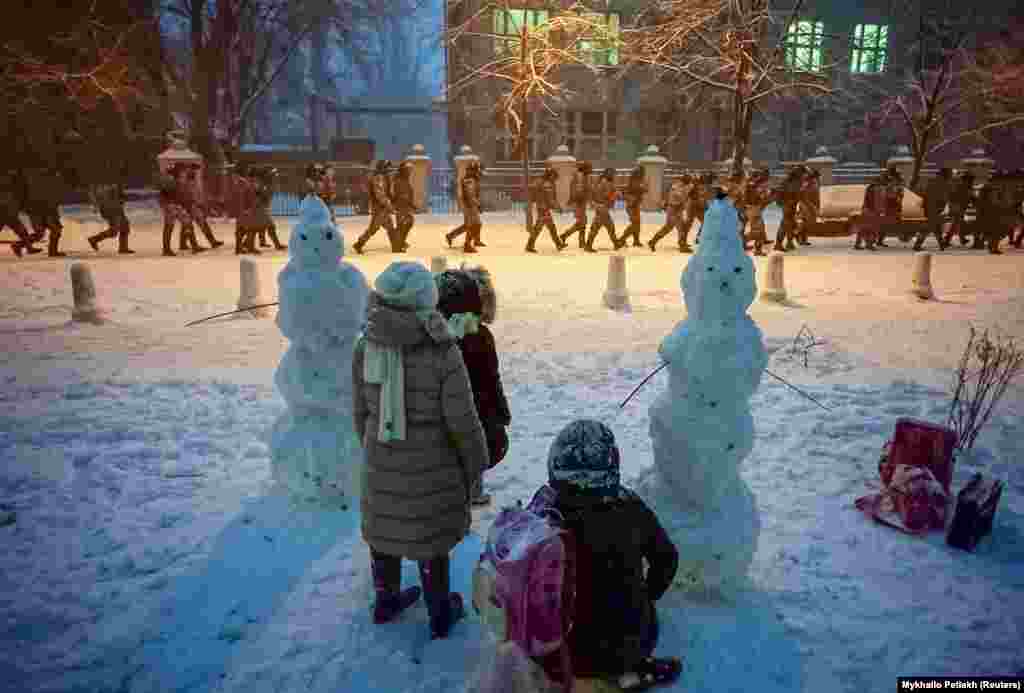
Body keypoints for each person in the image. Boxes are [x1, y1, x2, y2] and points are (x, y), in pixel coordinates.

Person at [352, 261, 490, 640]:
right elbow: (462, 419)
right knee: (431, 542)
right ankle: (440, 611)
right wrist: (475, 464)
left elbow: (360, 410)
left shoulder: (366, 344)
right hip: (435, 464)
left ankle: (386, 598)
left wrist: (376, 449)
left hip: (382, 458)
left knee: (384, 531)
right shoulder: (442, 348)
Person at [538, 420, 681, 691]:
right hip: (632, 643)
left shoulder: (545, 514)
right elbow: (667, 559)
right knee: (630, 623)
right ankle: (629, 670)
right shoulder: (631, 507)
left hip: (559, 652)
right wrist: (644, 596)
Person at [434, 268, 510, 505]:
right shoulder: (481, 338)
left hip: (445, 418)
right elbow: (490, 380)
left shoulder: (433, 336)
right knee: (480, 442)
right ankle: (469, 489)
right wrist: (501, 413)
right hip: (475, 416)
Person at [354, 160, 399, 254]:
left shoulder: (383, 178)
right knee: (373, 229)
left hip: (383, 209)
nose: (390, 170)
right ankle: (359, 244)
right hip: (380, 209)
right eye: (387, 168)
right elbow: (380, 195)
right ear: (383, 168)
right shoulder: (379, 178)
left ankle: (396, 246)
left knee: (390, 228)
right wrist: (390, 206)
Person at [22, 165, 66, 257]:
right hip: (44, 208)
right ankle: (52, 251)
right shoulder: (47, 179)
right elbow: (50, 196)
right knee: (55, 230)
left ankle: (18, 245)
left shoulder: (35, 177)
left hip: (38, 208)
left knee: (40, 234)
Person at [180, 163, 224, 251]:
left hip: (192, 205)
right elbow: (190, 194)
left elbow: (196, 193)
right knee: (200, 224)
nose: (197, 172)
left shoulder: (191, 179)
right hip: (191, 205)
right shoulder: (189, 180)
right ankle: (211, 242)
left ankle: (183, 244)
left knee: (187, 225)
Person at [0, 167, 41, 257]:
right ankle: (28, 248)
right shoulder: (6, 186)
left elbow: (13, 199)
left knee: (22, 230)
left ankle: (28, 248)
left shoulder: (12, 188)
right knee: (21, 230)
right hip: (5, 212)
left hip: (9, 212)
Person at [526, 166, 566, 253]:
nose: (555, 178)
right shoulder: (547, 184)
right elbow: (550, 199)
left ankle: (558, 244)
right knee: (540, 228)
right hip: (543, 208)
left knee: (550, 227)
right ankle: (530, 245)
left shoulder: (543, 182)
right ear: (551, 175)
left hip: (543, 207)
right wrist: (557, 207)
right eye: (554, 176)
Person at [87, 179, 134, 254]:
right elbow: (95, 193)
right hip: (109, 208)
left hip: (115, 206)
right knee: (114, 230)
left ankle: (123, 248)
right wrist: (96, 205)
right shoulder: (101, 181)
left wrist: (121, 198)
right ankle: (94, 239)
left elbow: (118, 192)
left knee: (125, 226)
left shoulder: (114, 178)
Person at [446, 161, 485, 252]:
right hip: (469, 205)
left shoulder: (473, 178)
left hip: (471, 205)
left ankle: (452, 236)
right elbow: (470, 195)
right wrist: (478, 205)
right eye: (476, 170)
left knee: (471, 225)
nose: (478, 172)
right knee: (474, 225)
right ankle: (467, 245)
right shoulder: (469, 180)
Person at [648, 175, 690, 253]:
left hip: (677, 209)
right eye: (688, 181)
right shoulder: (677, 186)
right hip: (673, 209)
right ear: (684, 180)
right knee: (673, 227)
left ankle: (653, 241)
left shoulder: (683, 186)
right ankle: (682, 246)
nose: (689, 183)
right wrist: (686, 194)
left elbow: (685, 194)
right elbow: (678, 196)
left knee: (677, 227)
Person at [914, 167, 952, 251]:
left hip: (930, 207)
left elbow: (925, 193)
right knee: (928, 227)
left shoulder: (933, 181)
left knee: (935, 226)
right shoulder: (943, 183)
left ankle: (941, 244)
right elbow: (943, 197)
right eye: (950, 174)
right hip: (934, 207)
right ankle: (917, 245)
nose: (951, 176)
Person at [585, 168, 619, 252]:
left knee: (609, 226)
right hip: (602, 207)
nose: (613, 176)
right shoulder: (604, 183)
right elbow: (604, 195)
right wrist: (614, 194)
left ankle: (616, 244)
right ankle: (588, 245)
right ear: (608, 174)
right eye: (612, 174)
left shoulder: (605, 182)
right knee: (597, 227)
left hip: (602, 207)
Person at [560, 161, 592, 248]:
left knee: (582, 222)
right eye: (589, 168)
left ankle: (568, 236)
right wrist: (574, 200)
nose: (591, 170)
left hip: (582, 202)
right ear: (585, 168)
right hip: (578, 202)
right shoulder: (579, 176)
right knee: (582, 222)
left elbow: (587, 189)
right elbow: (575, 189)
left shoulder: (586, 176)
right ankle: (578, 241)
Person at [743, 169, 773, 256]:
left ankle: (757, 249)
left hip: (753, 209)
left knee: (759, 230)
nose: (766, 178)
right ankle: (740, 242)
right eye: (765, 176)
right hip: (753, 209)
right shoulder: (753, 185)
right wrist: (765, 198)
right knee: (756, 231)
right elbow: (755, 198)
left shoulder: (753, 184)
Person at [854, 173, 886, 251]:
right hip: (873, 211)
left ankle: (858, 243)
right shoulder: (877, 189)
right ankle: (869, 244)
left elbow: (867, 200)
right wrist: (881, 210)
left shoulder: (870, 188)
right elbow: (878, 201)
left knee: (863, 228)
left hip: (866, 210)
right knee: (873, 229)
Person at [618, 166, 648, 249]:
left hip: (636, 204)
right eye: (641, 172)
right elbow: (629, 191)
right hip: (631, 205)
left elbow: (644, 189)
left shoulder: (639, 181)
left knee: (637, 223)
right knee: (635, 223)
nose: (643, 174)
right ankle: (622, 239)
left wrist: (643, 188)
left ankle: (636, 240)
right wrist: (641, 189)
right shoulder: (632, 181)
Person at [774, 167, 803, 252]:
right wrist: (784, 202)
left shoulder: (797, 181)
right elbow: (780, 193)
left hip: (792, 205)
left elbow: (797, 193)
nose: (801, 176)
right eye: (800, 174)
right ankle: (778, 244)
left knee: (791, 224)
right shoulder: (786, 182)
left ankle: (789, 243)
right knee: (785, 224)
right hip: (787, 205)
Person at [944, 171, 976, 248]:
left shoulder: (963, 186)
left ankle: (960, 239)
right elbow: (969, 197)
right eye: (971, 180)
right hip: (957, 206)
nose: (972, 181)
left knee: (958, 223)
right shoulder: (962, 186)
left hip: (958, 206)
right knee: (956, 223)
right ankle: (947, 239)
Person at [877, 167, 904, 247]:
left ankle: (879, 240)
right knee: (886, 223)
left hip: (892, 205)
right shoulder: (891, 184)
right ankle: (879, 240)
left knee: (886, 223)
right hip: (891, 205)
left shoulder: (891, 183)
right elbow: (890, 194)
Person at [393, 160, 416, 251]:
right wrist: (411, 204)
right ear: (403, 171)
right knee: (402, 225)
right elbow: (401, 195)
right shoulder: (399, 181)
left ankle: (401, 242)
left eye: (410, 170)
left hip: (405, 206)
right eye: (408, 170)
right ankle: (398, 246)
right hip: (401, 206)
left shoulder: (405, 180)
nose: (410, 172)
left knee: (407, 223)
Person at [796, 168, 820, 246]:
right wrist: (809, 205)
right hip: (806, 205)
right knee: (805, 222)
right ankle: (797, 234)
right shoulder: (807, 183)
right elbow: (802, 194)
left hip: (812, 204)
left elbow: (816, 195)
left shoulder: (814, 182)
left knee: (808, 223)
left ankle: (803, 239)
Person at [690, 173, 714, 244]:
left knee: (706, 223)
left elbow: (707, 197)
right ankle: (699, 238)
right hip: (698, 208)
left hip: (703, 207)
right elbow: (700, 196)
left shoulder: (707, 187)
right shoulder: (700, 187)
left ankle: (700, 237)